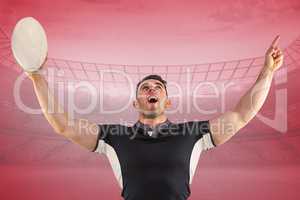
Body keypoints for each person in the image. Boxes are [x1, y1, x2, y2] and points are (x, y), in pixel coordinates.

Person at [26, 36, 283, 200]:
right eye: (145, 88)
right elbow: (63, 125)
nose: (151, 90)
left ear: (167, 102)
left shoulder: (193, 133)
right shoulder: (113, 136)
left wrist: (267, 72)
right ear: (136, 102)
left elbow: (240, 115)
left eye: (157, 88)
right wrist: (37, 76)